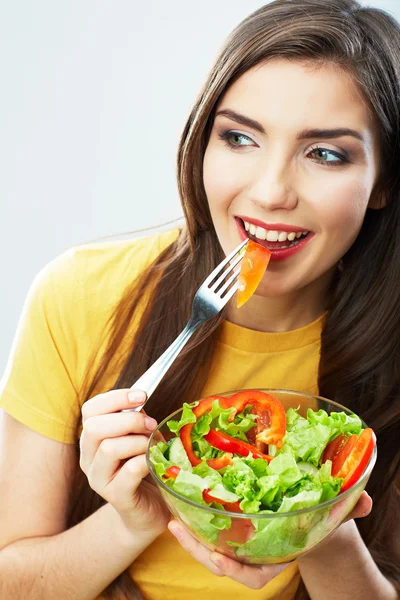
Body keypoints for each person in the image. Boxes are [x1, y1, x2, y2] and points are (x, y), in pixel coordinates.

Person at [0, 0, 399, 598]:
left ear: (384, 183)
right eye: (240, 138)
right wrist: (134, 518)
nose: (269, 192)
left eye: (325, 153)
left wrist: (318, 528)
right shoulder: (80, 295)